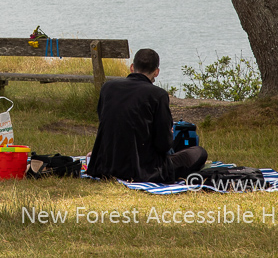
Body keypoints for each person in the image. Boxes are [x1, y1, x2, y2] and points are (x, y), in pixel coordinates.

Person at [86, 48, 208, 183]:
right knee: (199, 153)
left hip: (105, 164)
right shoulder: (158, 95)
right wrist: (168, 133)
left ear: (132, 67)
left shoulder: (108, 87)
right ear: (156, 71)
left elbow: (106, 122)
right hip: (142, 170)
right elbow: (163, 145)